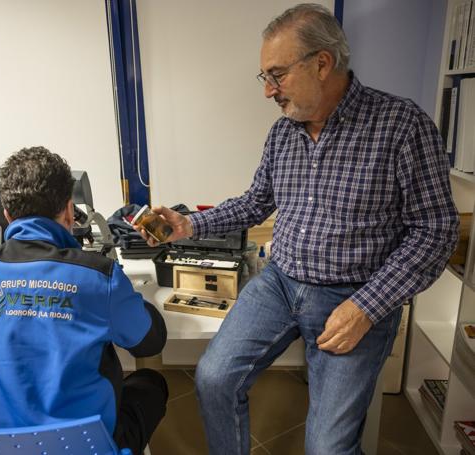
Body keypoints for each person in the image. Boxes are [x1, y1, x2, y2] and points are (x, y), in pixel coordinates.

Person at [135, 4, 458, 455]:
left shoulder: (402, 125)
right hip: (280, 284)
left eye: (277, 75)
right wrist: (188, 224)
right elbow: (255, 202)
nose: (268, 91)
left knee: (328, 447)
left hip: (355, 294)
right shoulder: (283, 133)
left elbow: (436, 231)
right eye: (264, 77)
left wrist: (367, 307)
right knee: (214, 378)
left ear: (322, 63)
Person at [0, 146, 168, 455]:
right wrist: (127, 299)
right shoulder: (98, 275)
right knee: (151, 384)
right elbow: (149, 342)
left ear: (7, 214)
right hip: (83, 447)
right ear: (68, 210)